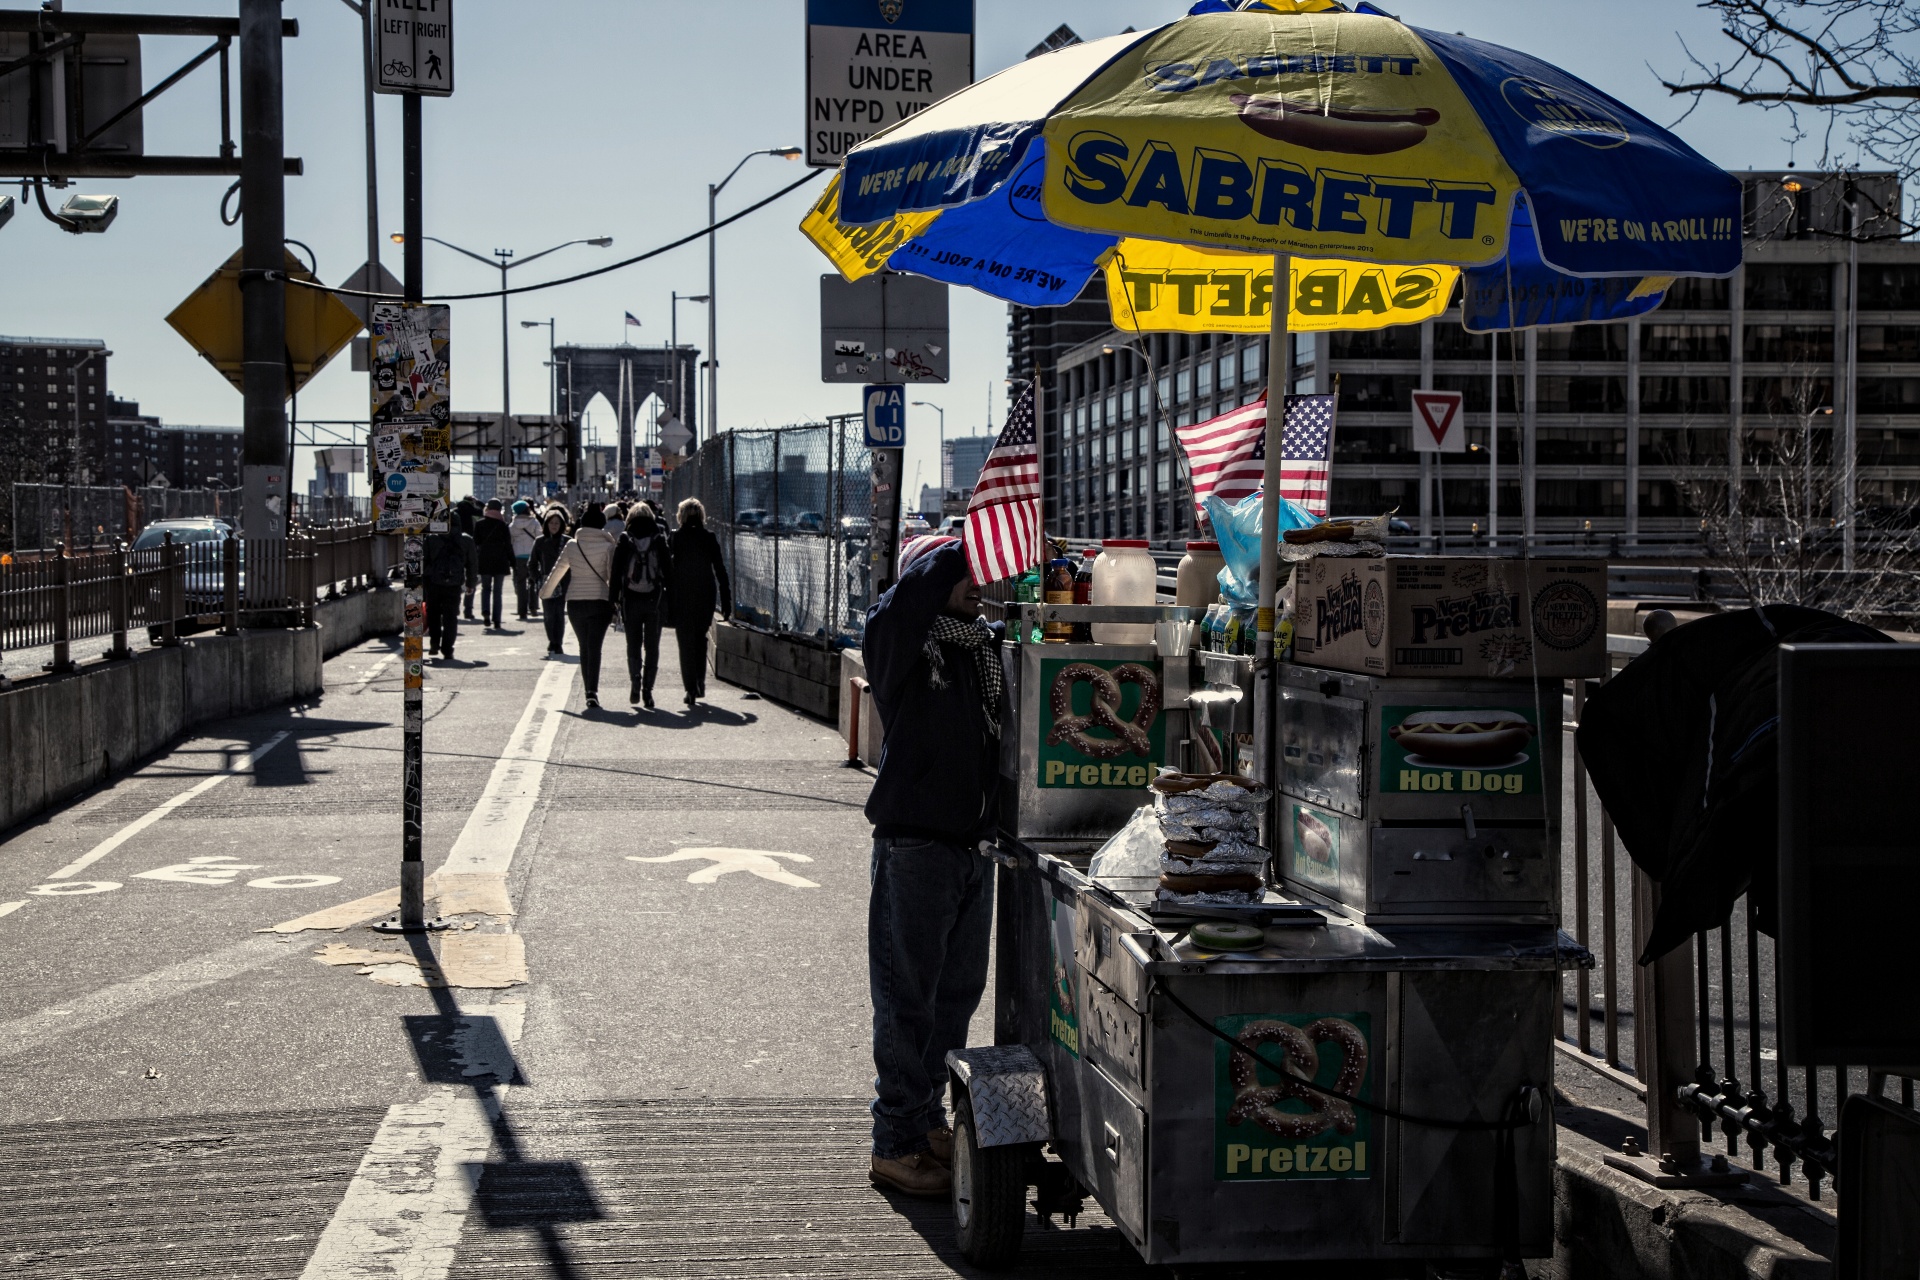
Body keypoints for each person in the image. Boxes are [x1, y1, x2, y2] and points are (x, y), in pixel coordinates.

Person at [860, 534, 1003, 1198]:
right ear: (926, 573)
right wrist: (965, 538)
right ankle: (895, 1143)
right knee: (905, 1001)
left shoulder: (980, 648)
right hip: (915, 846)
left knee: (954, 1001)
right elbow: (907, 601)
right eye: (962, 572)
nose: (977, 581)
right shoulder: (898, 640)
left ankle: (929, 1124)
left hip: (972, 847)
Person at [539, 505, 617, 708]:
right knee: (595, 647)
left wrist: (545, 593)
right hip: (600, 602)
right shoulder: (609, 546)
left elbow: (558, 570)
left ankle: (588, 691)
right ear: (602, 525)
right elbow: (610, 576)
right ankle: (593, 691)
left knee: (584, 647)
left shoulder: (572, 546)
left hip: (575, 602)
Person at [667, 497, 732, 708]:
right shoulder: (709, 537)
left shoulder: (675, 538)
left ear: (681, 516)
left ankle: (690, 688)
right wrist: (727, 601)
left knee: (685, 642)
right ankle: (700, 681)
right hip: (705, 595)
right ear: (701, 515)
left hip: (682, 596)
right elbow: (720, 570)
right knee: (700, 638)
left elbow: (667, 570)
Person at [611, 503, 672, 709]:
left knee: (633, 644)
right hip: (655, 600)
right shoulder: (659, 537)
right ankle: (648, 690)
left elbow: (616, 571)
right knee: (652, 647)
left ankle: (635, 679)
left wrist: (614, 601)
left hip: (630, 599)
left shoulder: (625, 538)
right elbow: (668, 570)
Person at [423, 520, 477, 662]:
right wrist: (470, 583)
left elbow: (424, 561)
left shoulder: (431, 538)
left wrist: (422, 581)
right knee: (451, 617)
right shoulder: (466, 539)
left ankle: (434, 642)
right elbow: (472, 563)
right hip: (454, 583)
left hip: (433, 582)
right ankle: (448, 650)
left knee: (433, 613)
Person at [527, 508, 571, 656]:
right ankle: (552, 640)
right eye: (551, 523)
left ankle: (557, 642)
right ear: (546, 524)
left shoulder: (567, 541)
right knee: (548, 614)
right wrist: (537, 577)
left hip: (563, 582)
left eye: (557, 523)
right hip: (546, 582)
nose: (554, 525)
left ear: (562, 524)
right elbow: (532, 563)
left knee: (559, 613)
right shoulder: (540, 541)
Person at [472, 498, 515, 629]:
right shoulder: (502, 525)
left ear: (487, 508)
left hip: (484, 560)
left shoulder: (479, 524)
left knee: (485, 588)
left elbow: (476, 543)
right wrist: (513, 562)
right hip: (500, 561)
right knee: (497, 592)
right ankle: (496, 619)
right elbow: (508, 545)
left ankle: (485, 611)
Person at [508, 499, 540, 620]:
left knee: (520, 583)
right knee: (533, 582)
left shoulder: (512, 525)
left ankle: (522, 611)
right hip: (532, 556)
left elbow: (510, 542)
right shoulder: (534, 522)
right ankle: (533, 608)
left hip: (518, 557)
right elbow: (539, 538)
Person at [453, 496, 483, 619]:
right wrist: (477, 502)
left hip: (453, 544)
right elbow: (483, 511)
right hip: (470, 543)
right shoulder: (474, 511)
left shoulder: (454, 512)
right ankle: (468, 609)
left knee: (456, 578)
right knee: (471, 576)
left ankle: (455, 608)